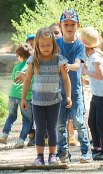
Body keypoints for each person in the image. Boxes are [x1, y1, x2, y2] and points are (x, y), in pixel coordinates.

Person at [21, 28, 72, 165]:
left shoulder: (59, 60)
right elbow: (27, 80)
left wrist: (68, 96)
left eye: (48, 44)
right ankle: (39, 157)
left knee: (52, 128)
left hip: (54, 101)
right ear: (37, 45)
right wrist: (24, 98)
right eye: (42, 45)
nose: (45, 48)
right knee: (40, 129)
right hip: (37, 101)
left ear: (54, 44)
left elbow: (66, 79)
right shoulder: (33, 60)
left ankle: (52, 156)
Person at [56, 9, 90, 163]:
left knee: (78, 122)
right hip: (57, 91)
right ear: (60, 25)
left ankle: (85, 152)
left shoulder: (79, 45)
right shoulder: (55, 44)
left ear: (78, 26)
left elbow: (78, 65)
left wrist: (68, 66)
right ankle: (62, 153)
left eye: (72, 24)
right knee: (60, 124)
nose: (69, 27)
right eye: (66, 24)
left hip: (75, 91)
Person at [79, 26, 103, 160]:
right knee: (91, 122)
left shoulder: (95, 57)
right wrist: (87, 81)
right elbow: (98, 78)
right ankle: (98, 147)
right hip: (97, 94)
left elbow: (100, 75)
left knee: (100, 123)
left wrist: (86, 72)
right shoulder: (93, 56)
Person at [49, 22, 77, 146]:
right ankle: (58, 142)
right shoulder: (50, 49)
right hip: (56, 89)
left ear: (61, 32)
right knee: (59, 117)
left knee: (73, 115)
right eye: (51, 34)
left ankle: (71, 135)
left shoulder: (69, 46)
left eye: (56, 33)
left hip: (73, 86)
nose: (54, 36)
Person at [0, 43, 33, 148]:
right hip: (26, 96)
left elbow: (13, 79)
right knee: (27, 119)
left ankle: (4, 135)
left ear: (19, 56)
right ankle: (21, 140)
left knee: (11, 116)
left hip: (12, 94)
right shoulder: (31, 66)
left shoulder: (16, 66)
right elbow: (32, 82)